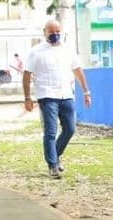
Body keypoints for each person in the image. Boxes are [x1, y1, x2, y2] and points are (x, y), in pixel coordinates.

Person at [22, 18, 92, 179]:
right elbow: (26, 74)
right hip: (47, 96)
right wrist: (27, 97)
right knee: (50, 131)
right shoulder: (36, 51)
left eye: (57, 32)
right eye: (51, 32)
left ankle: (56, 154)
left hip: (66, 94)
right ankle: (53, 165)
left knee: (70, 129)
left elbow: (78, 70)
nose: (55, 35)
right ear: (44, 33)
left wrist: (86, 92)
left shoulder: (68, 50)